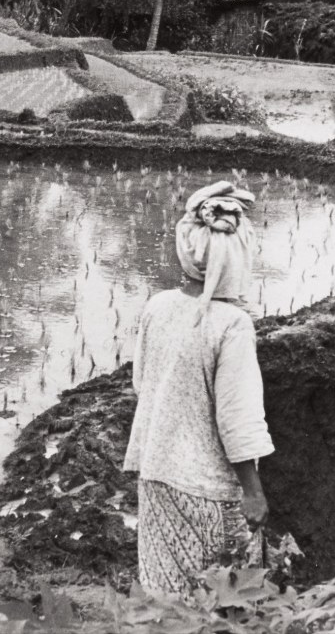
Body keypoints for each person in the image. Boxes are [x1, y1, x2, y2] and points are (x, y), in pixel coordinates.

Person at [123, 180, 273, 595]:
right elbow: (237, 420)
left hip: (156, 477)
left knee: (164, 598)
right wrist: (254, 494)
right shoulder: (232, 325)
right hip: (208, 493)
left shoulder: (158, 306)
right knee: (224, 604)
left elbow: (143, 384)